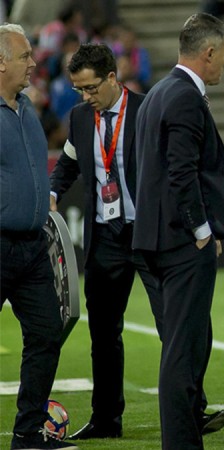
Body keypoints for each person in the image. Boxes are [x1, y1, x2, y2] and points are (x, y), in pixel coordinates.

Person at [133, 13, 224, 450]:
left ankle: (187, 436)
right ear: (208, 52)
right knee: (183, 349)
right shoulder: (186, 98)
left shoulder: (158, 93)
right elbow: (182, 172)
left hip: (156, 237)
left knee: (188, 343)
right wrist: (202, 230)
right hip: (180, 241)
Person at [48, 42, 157, 440]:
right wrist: (52, 192)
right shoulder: (80, 118)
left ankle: (191, 410)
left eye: (91, 88)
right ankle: (106, 420)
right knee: (104, 334)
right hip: (105, 237)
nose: (85, 97)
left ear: (113, 77)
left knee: (173, 326)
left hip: (148, 233)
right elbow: (68, 164)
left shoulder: (147, 110)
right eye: (79, 89)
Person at [0, 23, 78, 450]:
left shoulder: (28, 109)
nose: (34, 63)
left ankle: (27, 433)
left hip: (32, 247)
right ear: (0, 62)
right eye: (25, 56)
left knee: (48, 332)